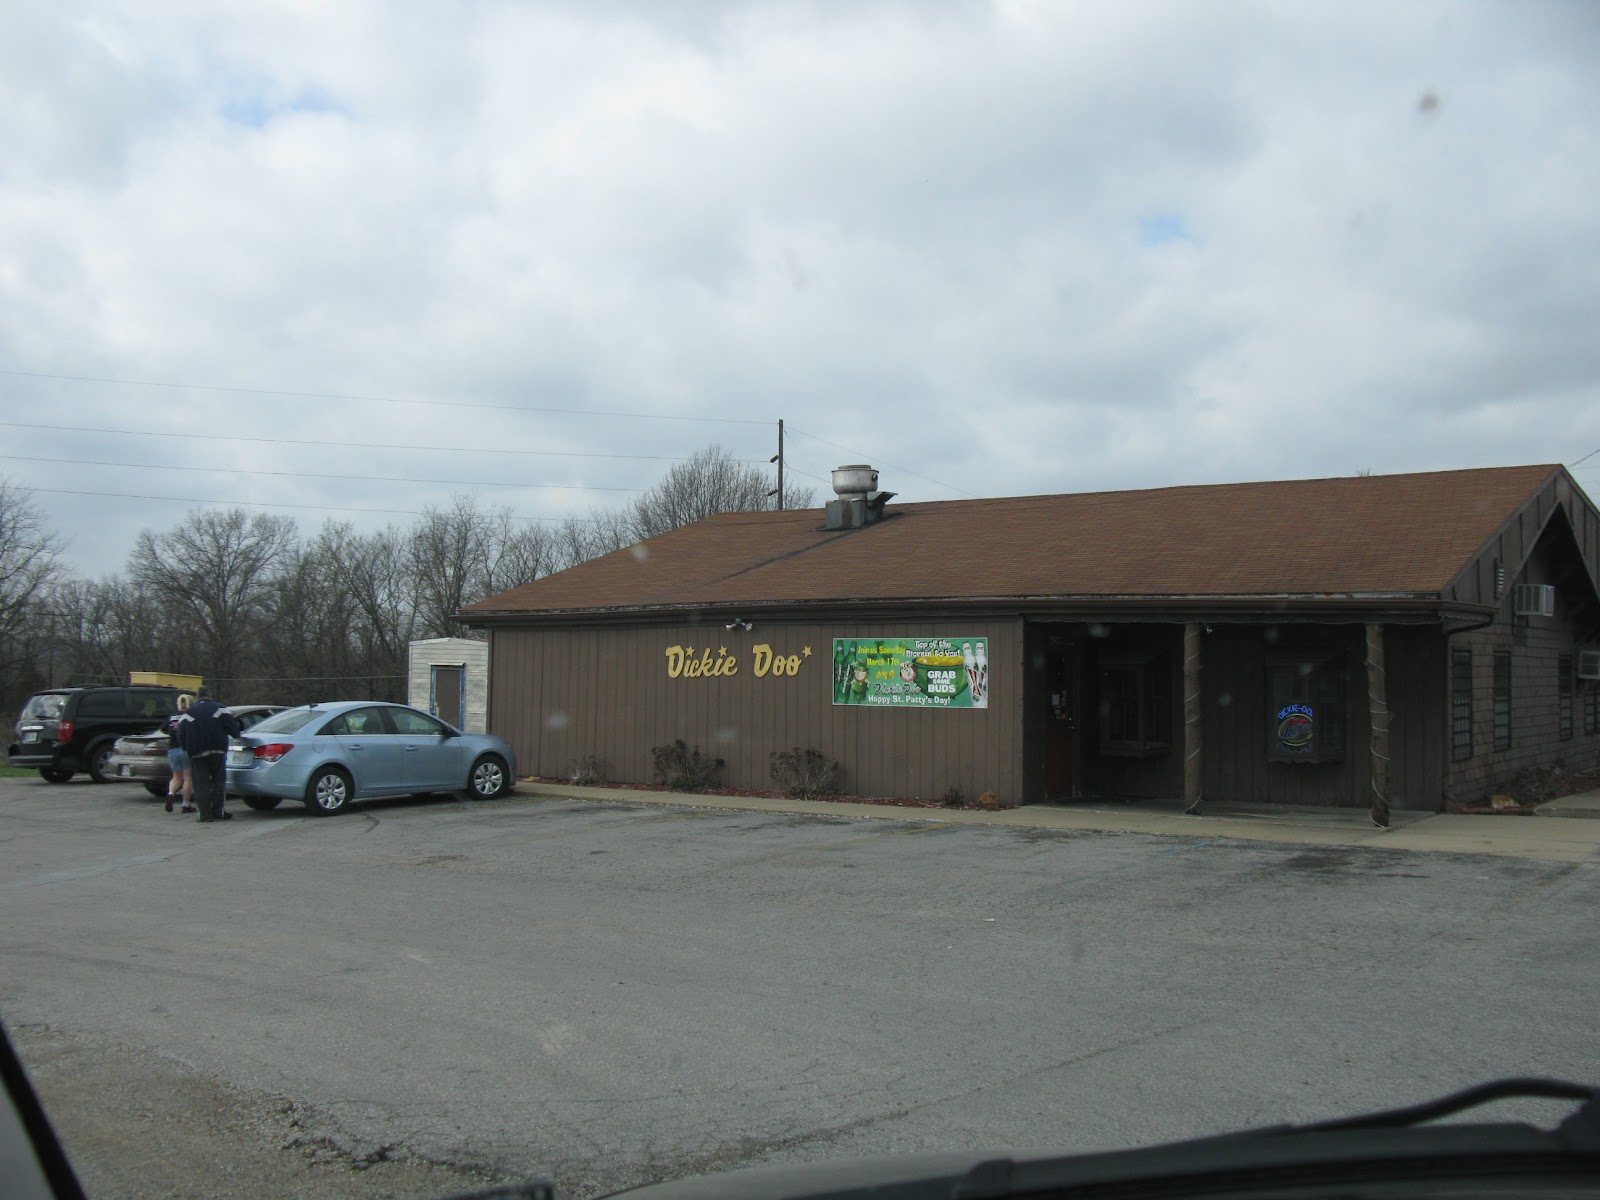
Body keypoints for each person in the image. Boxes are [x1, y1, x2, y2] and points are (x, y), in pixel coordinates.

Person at [177, 686, 242, 823]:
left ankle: (205, 814)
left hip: (196, 752)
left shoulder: (188, 712)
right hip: (217, 750)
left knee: (201, 784)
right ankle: (218, 811)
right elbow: (232, 727)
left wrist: (185, 746)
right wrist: (237, 735)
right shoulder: (220, 708)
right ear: (210, 695)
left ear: (197, 697)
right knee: (219, 781)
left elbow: (180, 733)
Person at [163, 694, 197, 814]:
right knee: (188, 778)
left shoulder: (172, 717)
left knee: (176, 777)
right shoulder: (190, 716)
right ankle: (185, 805)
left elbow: (163, 729)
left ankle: (171, 794)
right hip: (185, 749)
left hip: (172, 749)